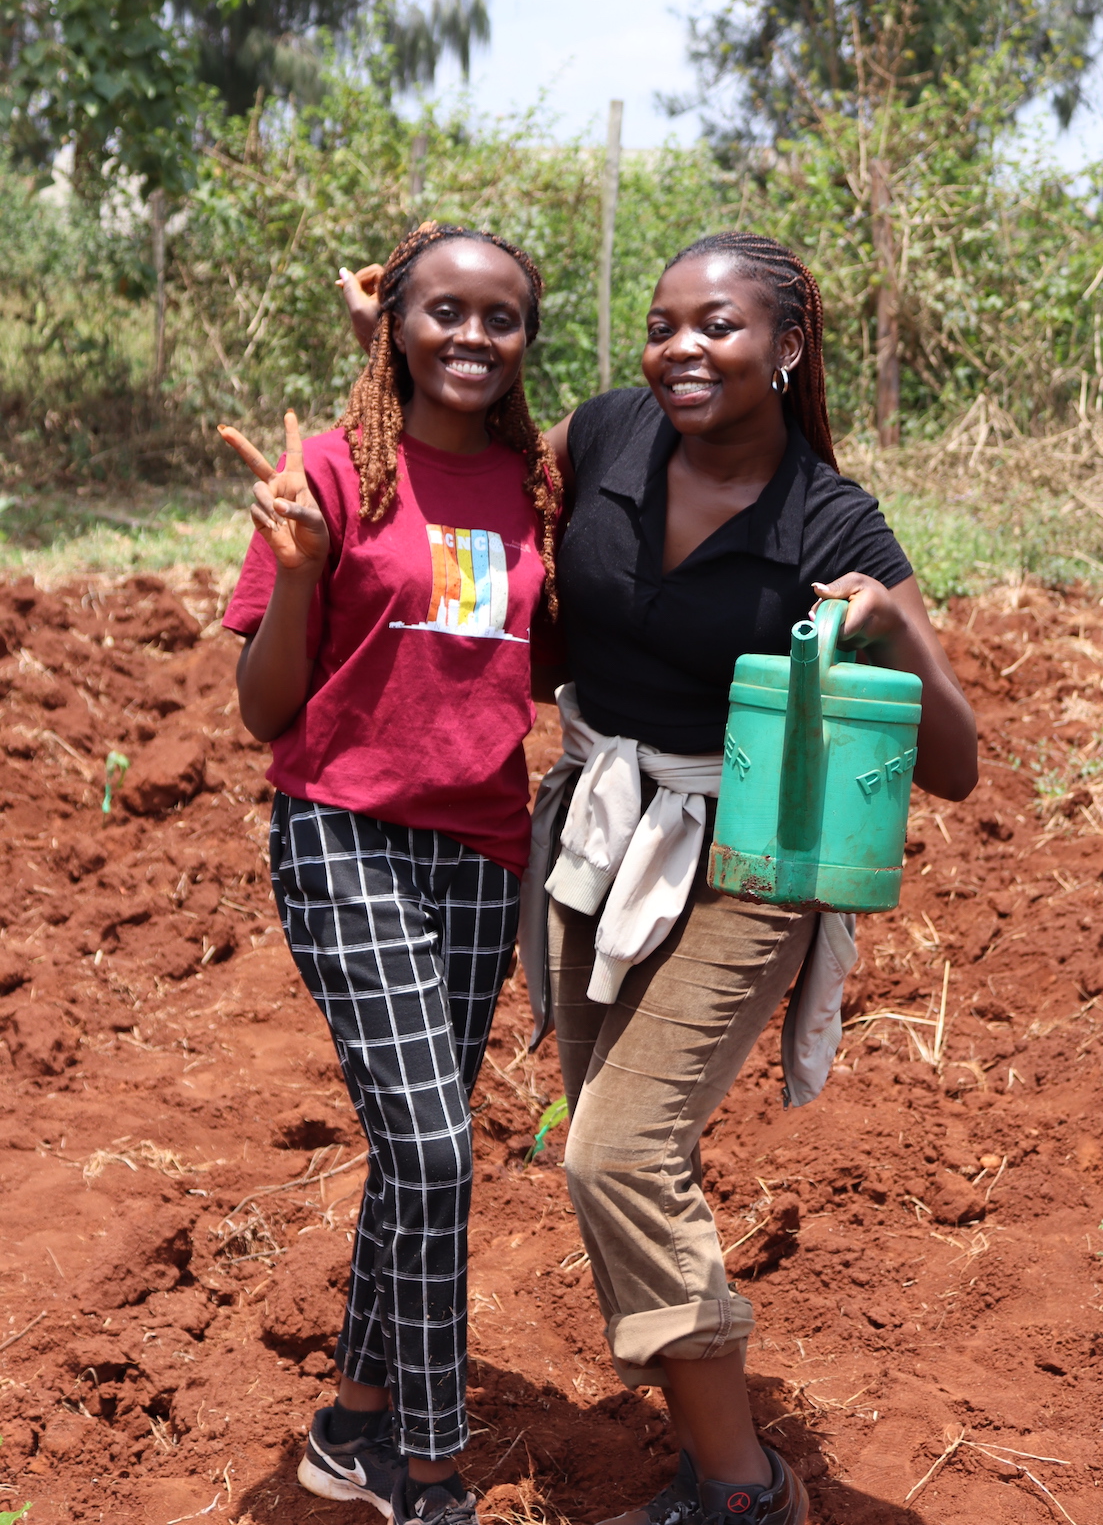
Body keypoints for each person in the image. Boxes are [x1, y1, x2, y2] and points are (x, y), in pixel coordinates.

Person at [340, 231, 978, 1525]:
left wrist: (894, 629)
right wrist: (388, 344)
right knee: (617, 1142)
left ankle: (745, 1489)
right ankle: (703, 1459)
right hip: (598, 830)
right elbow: (473, 470)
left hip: (745, 861)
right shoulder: (605, 436)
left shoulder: (828, 518)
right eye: (661, 325)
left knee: (617, 1154)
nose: (681, 350)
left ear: (786, 346)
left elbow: (957, 762)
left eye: (717, 327)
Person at [220, 222, 561, 1525]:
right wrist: (299, 573)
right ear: (397, 327)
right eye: (444, 312)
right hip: (344, 829)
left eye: (501, 317)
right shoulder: (325, 472)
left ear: (528, 339)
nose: (473, 335)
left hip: (482, 845)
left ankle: (348, 1423)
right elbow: (264, 712)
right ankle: (428, 1469)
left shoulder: (537, 483)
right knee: (434, 1149)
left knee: (414, 1159)